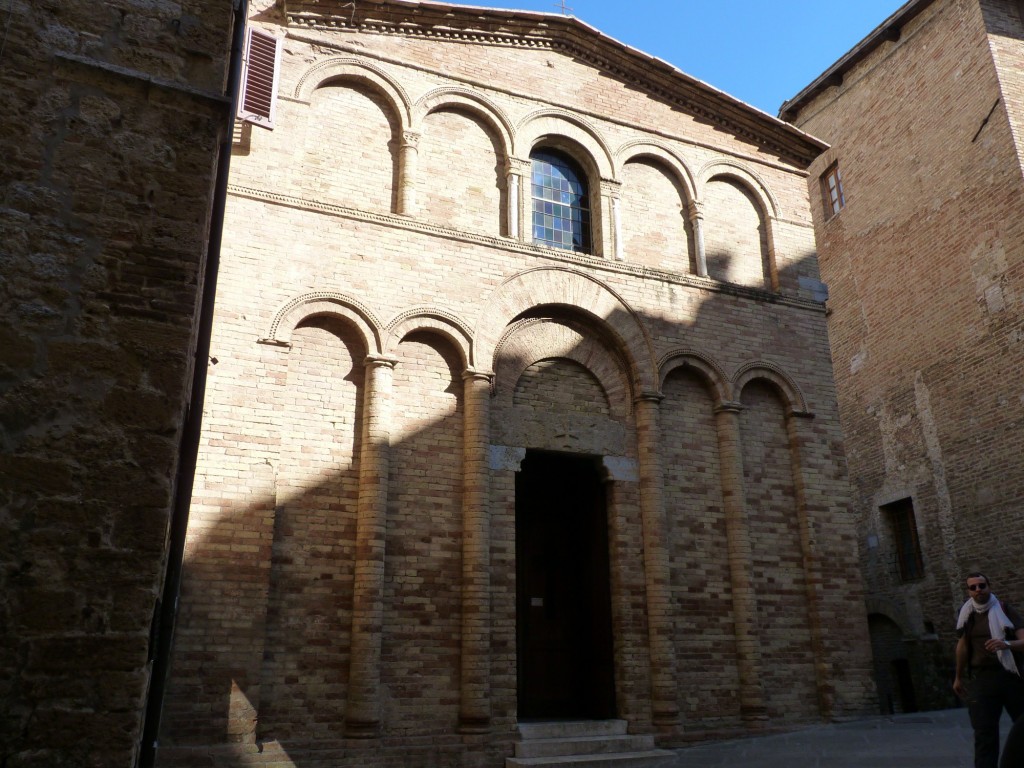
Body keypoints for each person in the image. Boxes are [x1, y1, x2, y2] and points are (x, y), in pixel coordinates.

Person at [954, 572, 1024, 768]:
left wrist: (1006, 644)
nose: (978, 590)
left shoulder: (1005, 610)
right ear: (969, 591)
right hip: (982, 678)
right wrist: (958, 676)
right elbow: (962, 646)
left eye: (982, 586)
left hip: (1011, 676)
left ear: (989, 587)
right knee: (984, 734)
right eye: (973, 587)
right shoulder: (966, 614)